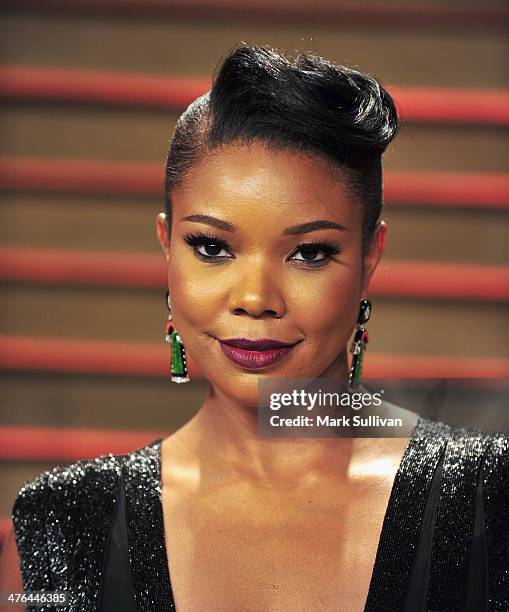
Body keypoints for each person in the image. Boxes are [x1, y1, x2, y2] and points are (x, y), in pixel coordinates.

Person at [1, 45, 508, 612]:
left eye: (310, 253)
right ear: (168, 247)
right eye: (213, 247)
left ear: (370, 258)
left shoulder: (491, 498)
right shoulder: (60, 524)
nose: (255, 300)